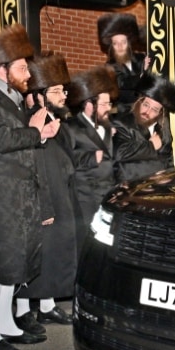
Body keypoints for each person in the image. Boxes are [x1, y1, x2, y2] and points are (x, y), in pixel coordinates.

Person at [0, 25, 60, 350]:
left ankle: (5, 323)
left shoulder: (12, 98)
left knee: (14, 263)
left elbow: (21, 141)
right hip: (0, 193)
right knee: (0, 264)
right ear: (2, 69)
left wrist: (41, 133)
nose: (27, 74)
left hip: (19, 193)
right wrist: (35, 132)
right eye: (22, 67)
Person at [14, 53, 79, 326]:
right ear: (39, 95)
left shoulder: (58, 120)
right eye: (56, 91)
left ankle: (47, 305)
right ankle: (22, 311)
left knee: (54, 255)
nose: (63, 95)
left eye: (64, 90)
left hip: (61, 195)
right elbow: (32, 165)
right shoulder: (31, 122)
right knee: (38, 255)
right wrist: (42, 204)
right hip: (43, 198)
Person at [62, 65, 118, 249]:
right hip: (85, 198)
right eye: (104, 104)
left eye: (109, 104)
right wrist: (91, 157)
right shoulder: (71, 127)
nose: (108, 109)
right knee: (88, 244)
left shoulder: (108, 127)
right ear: (88, 105)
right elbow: (65, 159)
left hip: (107, 194)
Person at [112, 72, 175, 182]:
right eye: (146, 105)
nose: (147, 112)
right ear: (139, 102)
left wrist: (168, 176)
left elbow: (168, 159)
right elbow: (119, 152)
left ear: (161, 113)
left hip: (156, 188)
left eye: (155, 110)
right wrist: (150, 146)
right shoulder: (122, 123)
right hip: (130, 188)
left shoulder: (163, 129)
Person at [98, 13, 149, 110]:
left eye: (123, 42)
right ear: (111, 46)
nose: (120, 46)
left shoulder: (141, 58)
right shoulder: (110, 67)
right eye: (115, 43)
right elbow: (124, 83)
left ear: (129, 44)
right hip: (126, 113)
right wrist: (144, 73)